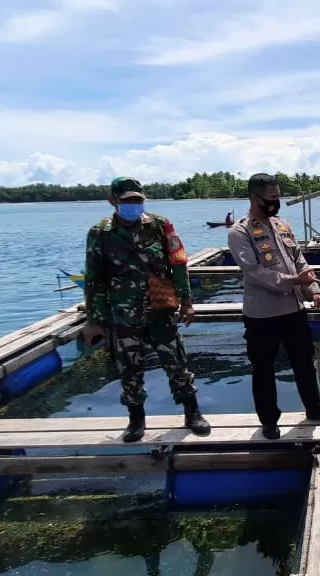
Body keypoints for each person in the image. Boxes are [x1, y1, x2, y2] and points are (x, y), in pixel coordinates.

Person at [82, 177, 211, 442]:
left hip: (160, 310)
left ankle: (192, 413)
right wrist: (94, 319)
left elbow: (178, 264)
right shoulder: (100, 233)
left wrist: (186, 303)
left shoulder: (160, 225)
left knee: (176, 363)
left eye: (138, 200)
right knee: (129, 369)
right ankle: (136, 420)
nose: (133, 205)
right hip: (123, 314)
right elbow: (94, 278)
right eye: (127, 200)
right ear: (113, 201)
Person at [228, 173, 320, 439]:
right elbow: (253, 271)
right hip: (261, 315)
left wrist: (312, 289)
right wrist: (294, 281)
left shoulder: (282, 225)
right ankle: (269, 421)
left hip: (293, 310)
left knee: (304, 362)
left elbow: (299, 259)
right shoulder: (240, 232)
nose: (276, 203)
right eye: (271, 198)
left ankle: (315, 409)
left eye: (278, 197)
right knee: (264, 369)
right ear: (254, 198)